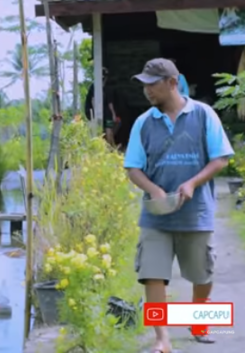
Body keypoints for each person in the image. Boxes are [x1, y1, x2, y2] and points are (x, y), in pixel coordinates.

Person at [124, 58, 234, 353]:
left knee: (202, 274)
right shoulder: (144, 122)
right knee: (153, 273)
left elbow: (221, 158)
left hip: (195, 213)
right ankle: (163, 340)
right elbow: (133, 167)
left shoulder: (203, 114)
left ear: (172, 83)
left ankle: (198, 321)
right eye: (144, 84)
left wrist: (193, 183)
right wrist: (154, 189)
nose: (147, 90)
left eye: (152, 84)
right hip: (156, 216)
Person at [84, 67, 119, 147]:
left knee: (109, 129)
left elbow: (110, 103)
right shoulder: (94, 86)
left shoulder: (107, 88)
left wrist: (113, 115)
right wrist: (96, 113)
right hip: (92, 111)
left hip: (105, 112)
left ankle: (111, 147)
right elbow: (93, 100)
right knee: (98, 131)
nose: (104, 79)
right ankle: (107, 147)